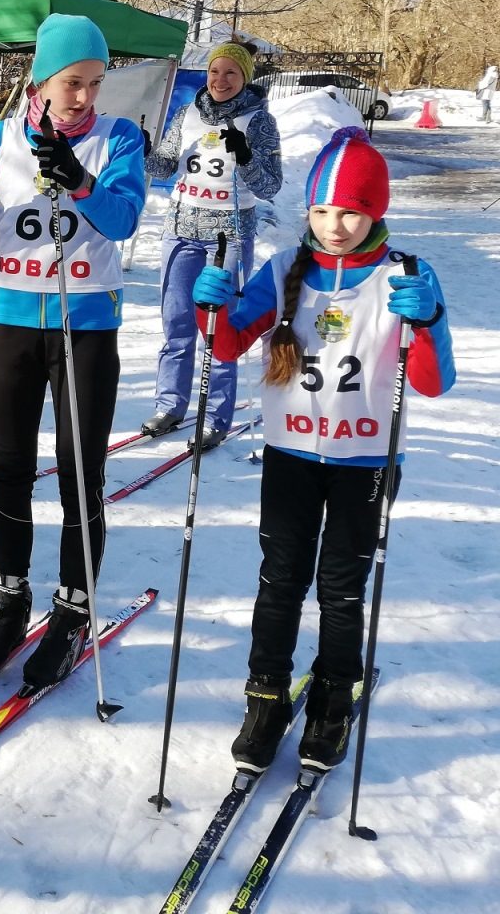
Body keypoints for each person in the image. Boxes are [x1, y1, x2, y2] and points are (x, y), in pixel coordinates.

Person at [192, 126, 455, 772]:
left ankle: (334, 699)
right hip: (291, 455)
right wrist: (211, 308)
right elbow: (225, 344)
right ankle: (266, 696)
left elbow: (433, 381)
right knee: (279, 581)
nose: (335, 225)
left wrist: (429, 323)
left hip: (365, 461)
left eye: (351, 211)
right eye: (322, 210)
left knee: (340, 589)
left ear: (377, 210)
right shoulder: (285, 268)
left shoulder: (406, 275)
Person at [0, 14, 146, 689]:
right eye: (72, 83)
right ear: (41, 81)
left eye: (93, 83)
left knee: (80, 473)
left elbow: (125, 216)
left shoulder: (119, 139)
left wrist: (80, 180)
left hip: (84, 325)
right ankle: (9, 600)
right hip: (13, 321)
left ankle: (72, 610)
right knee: (8, 469)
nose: (84, 97)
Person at [141, 42, 282, 447]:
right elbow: (164, 165)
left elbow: (270, 185)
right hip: (181, 227)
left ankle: (217, 415)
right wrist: (143, 146)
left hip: (229, 232)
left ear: (245, 78)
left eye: (231, 74)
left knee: (220, 327)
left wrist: (247, 157)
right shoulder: (187, 113)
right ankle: (170, 404)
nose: (220, 81)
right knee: (176, 321)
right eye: (214, 72)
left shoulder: (259, 121)